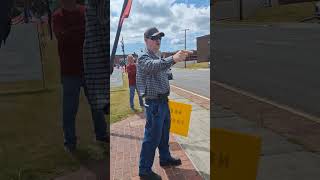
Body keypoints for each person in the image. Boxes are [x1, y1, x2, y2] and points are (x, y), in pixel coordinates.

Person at [136, 27, 192, 179]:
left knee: (163, 134)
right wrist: (173, 58)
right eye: (154, 38)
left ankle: (165, 158)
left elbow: (164, 70)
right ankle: (144, 170)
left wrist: (173, 61)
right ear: (146, 40)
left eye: (160, 38)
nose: (158, 41)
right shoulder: (143, 57)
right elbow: (152, 67)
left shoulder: (158, 57)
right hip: (153, 103)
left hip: (163, 102)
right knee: (152, 138)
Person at [52, 0, 108, 152]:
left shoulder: (85, 11)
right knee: (69, 109)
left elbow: (94, 33)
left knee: (96, 105)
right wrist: (82, 32)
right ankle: (70, 142)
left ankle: (102, 135)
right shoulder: (57, 16)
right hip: (70, 71)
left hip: (90, 68)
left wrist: (74, 32)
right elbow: (62, 37)